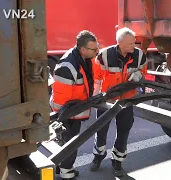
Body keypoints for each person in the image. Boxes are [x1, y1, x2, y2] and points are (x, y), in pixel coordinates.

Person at [90, 27, 148, 177]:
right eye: (130, 43)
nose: (133, 46)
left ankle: (118, 161)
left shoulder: (139, 55)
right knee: (101, 130)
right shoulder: (104, 56)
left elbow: (144, 72)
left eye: (134, 42)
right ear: (120, 42)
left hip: (127, 101)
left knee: (123, 132)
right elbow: (96, 78)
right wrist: (95, 97)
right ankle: (98, 156)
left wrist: (138, 75)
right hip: (106, 101)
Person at [50, 30, 99, 180]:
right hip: (67, 114)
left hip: (73, 111)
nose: (97, 51)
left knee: (66, 142)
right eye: (94, 49)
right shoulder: (68, 66)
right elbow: (61, 98)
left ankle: (62, 168)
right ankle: (67, 173)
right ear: (83, 49)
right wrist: (62, 118)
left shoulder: (82, 59)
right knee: (70, 143)